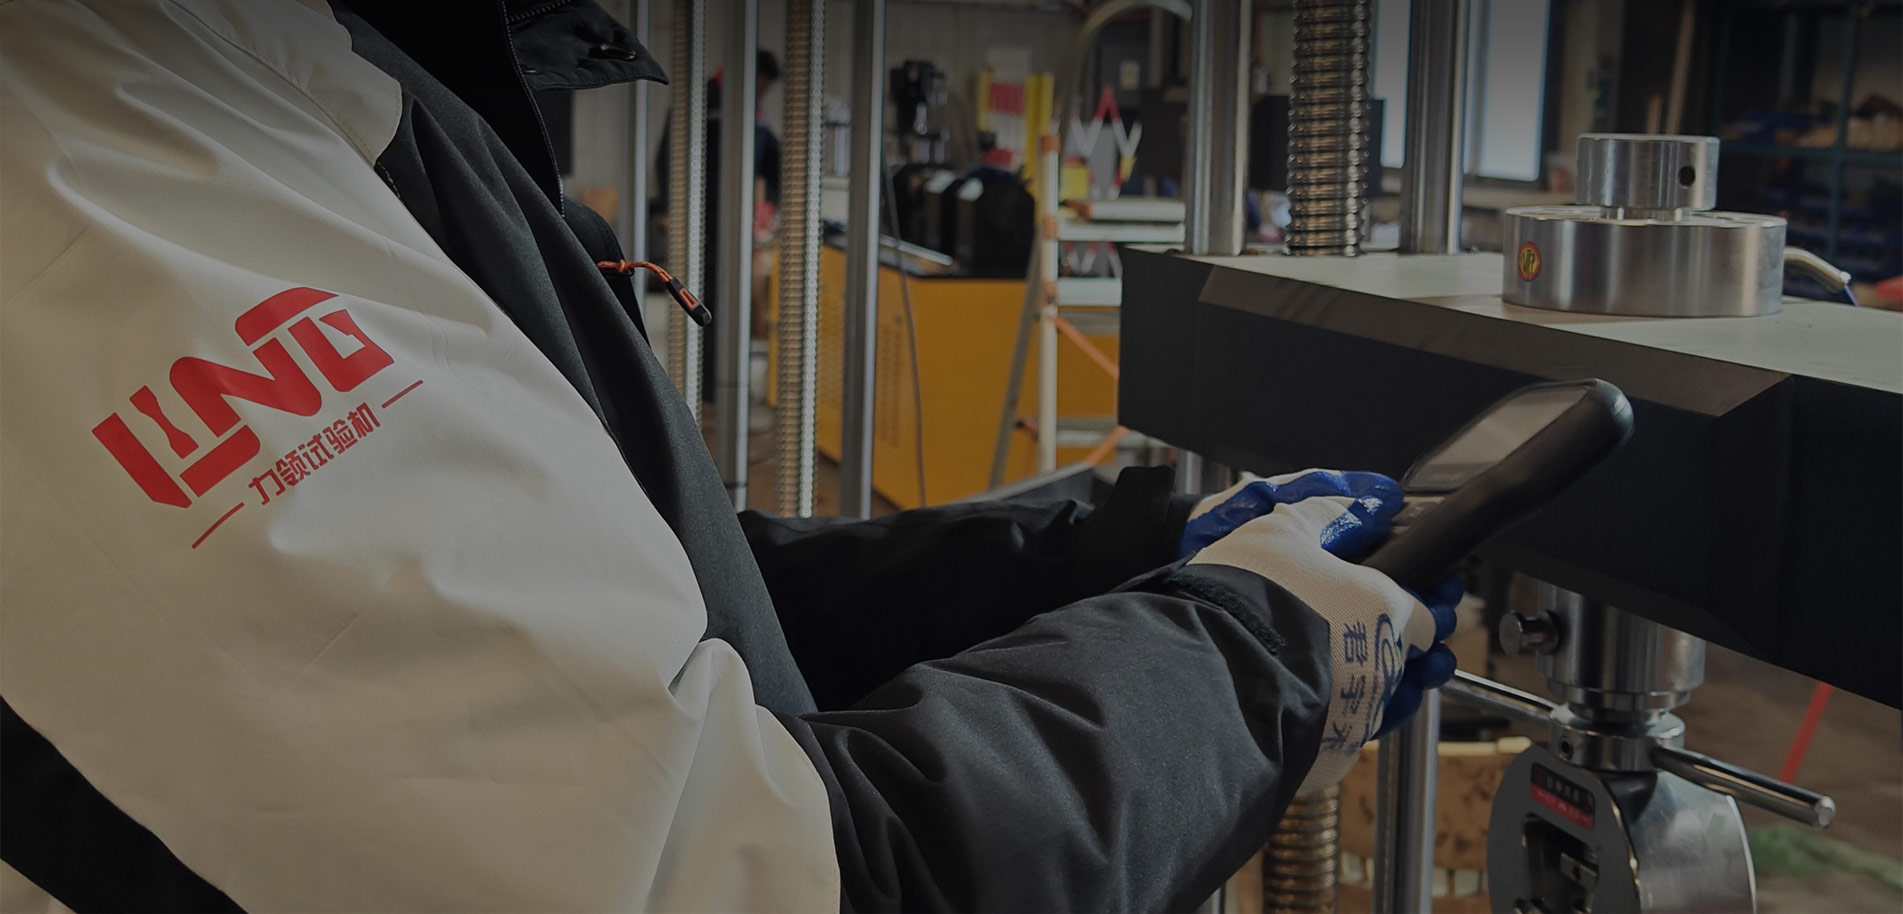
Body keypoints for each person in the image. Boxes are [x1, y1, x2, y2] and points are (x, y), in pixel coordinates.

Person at [0, 2, 1459, 911]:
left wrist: (1115, 557)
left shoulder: (284, 61)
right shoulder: (96, 149)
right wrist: (1252, 644)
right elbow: (759, 880)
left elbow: (644, 580)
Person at [653, 47, 783, 402]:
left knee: (729, 299)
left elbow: (773, 161)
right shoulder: (702, 101)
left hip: (734, 222)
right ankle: (702, 383)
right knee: (701, 298)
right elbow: (667, 157)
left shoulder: (753, 112)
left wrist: (774, 205)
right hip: (698, 221)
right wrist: (669, 208)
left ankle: (721, 378)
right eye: (762, 84)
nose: (763, 92)